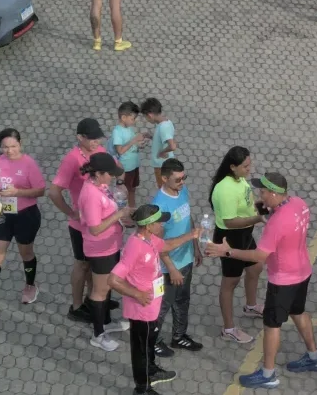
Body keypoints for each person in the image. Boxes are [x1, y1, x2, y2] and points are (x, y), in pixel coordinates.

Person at [203, 172, 317, 387]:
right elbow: (279, 214)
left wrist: (228, 251)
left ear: (275, 193)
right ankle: (315, 358)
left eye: (263, 192)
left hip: (283, 280)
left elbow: (259, 256)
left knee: (271, 324)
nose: (260, 196)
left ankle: (268, 375)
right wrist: (266, 207)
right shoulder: (299, 203)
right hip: (303, 271)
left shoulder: (276, 223)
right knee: (298, 312)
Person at [0, 128, 48, 313]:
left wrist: (18, 192)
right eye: (5, 147)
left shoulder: (29, 164)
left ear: (20, 144)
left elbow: (40, 190)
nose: (9, 150)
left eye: (13, 146)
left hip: (26, 215)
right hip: (3, 214)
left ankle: (31, 286)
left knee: (26, 253)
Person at [109, 204, 178, 393]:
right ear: (148, 226)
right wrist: (137, 294)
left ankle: (151, 370)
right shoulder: (135, 246)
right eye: (158, 222)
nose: (162, 225)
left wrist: (192, 235)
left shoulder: (150, 239)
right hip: (141, 310)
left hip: (151, 306)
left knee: (149, 341)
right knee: (140, 348)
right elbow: (113, 279)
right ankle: (142, 387)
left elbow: (168, 245)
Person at [51, 119, 112, 323]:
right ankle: (77, 307)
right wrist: (70, 212)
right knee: (82, 265)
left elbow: (113, 169)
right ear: (80, 137)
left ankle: (95, 297)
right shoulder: (72, 159)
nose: (96, 141)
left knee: (93, 265)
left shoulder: (100, 151)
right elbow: (53, 192)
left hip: (100, 221)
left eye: (98, 137)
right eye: (91, 138)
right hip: (80, 226)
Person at [208, 147, 265, 346]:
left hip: (245, 233)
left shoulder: (239, 179)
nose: (249, 169)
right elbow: (230, 221)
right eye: (245, 166)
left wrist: (263, 204)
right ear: (232, 167)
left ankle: (250, 306)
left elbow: (247, 202)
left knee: (256, 266)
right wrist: (258, 218)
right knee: (230, 283)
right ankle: (229, 329)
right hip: (230, 238)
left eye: (250, 164)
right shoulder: (224, 190)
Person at [147, 158, 203, 356]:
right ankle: (151, 342)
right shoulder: (159, 207)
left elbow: (189, 219)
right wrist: (171, 268)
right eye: (178, 179)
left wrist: (195, 246)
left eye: (184, 177)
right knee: (161, 307)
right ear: (164, 178)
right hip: (167, 268)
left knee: (182, 300)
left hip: (185, 259)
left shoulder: (182, 191)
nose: (183, 182)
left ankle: (179, 336)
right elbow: (157, 245)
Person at [76, 153, 129, 351]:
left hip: (111, 246)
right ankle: (98, 334)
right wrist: (118, 215)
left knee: (107, 287)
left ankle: (106, 322)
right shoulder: (90, 194)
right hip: (100, 250)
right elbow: (95, 228)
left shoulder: (100, 185)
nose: (112, 177)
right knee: (100, 291)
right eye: (110, 174)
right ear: (98, 174)